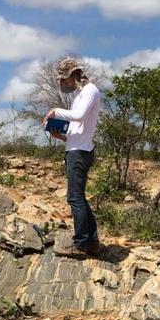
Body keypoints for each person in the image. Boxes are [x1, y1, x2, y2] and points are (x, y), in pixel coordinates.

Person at [44, 57, 102, 257]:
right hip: (75, 148)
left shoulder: (89, 91)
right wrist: (61, 136)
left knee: (75, 197)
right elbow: (78, 126)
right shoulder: (80, 94)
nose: (62, 84)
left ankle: (82, 244)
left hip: (80, 152)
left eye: (63, 79)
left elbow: (78, 116)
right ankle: (92, 241)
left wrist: (55, 112)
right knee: (79, 197)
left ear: (72, 75)